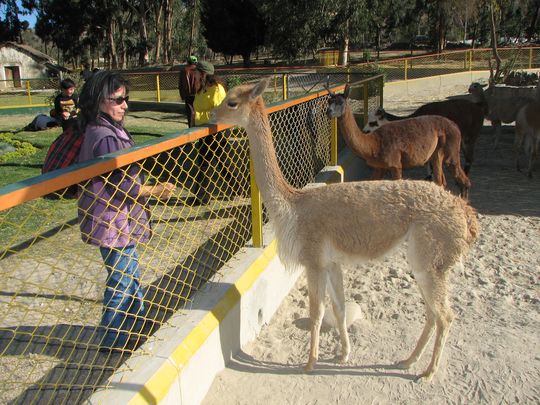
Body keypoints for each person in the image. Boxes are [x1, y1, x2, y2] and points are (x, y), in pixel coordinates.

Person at [76, 70, 175, 352]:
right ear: (99, 102)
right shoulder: (104, 135)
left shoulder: (106, 128)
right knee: (122, 277)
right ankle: (113, 338)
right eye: (119, 100)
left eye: (126, 99)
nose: (125, 105)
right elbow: (123, 186)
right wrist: (157, 190)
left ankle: (137, 323)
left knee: (130, 272)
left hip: (118, 219)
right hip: (111, 221)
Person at [193, 61, 235, 203]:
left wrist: (198, 116)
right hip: (204, 130)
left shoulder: (217, 89)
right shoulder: (201, 89)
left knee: (222, 164)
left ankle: (237, 188)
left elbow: (218, 113)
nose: (194, 74)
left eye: (197, 72)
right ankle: (202, 197)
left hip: (218, 131)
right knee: (205, 163)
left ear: (203, 73)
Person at [178, 55, 202, 127]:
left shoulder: (183, 71)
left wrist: (182, 95)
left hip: (187, 94)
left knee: (190, 112)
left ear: (188, 62)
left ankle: (191, 129)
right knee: (199, 111)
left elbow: (180, 84)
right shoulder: (199, 70)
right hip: (198, 93)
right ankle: (199, 127)